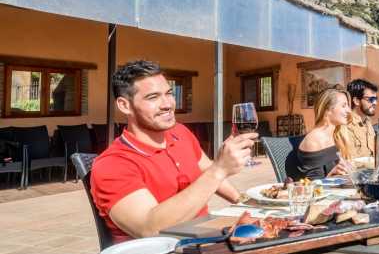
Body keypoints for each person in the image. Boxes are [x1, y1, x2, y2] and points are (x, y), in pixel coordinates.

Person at [90, 60, 256, 243]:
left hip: (206, 239)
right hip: (164, 252)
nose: (167, 104)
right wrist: (220, 169)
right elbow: (149, 227)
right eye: (153, 97)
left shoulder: (179, 133)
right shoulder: (113, 164)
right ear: (124, 105)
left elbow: (207, 169)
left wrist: (244, 203)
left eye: (169, 93)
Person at [297, 88, 354, 179]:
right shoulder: (313, 141)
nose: (349, 111)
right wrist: (332, 174)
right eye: (344, 106)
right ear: (327, 109)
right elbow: (312, 187)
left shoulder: (335, 135)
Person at [342, 79, 379, 159]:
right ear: (356, 101)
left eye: (376, 99)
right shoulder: (346, 125)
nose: (375, 103)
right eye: (371, 99)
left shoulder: (367, 121)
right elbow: (349, 162)